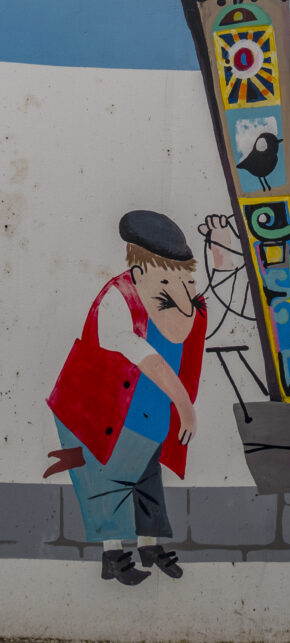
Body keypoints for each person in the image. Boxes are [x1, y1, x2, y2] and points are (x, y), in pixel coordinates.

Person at [45, 211, 206, 585]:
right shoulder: (116, 300)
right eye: (167, 273)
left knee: (147, 478)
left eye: (182, 273)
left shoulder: (176, 292)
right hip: (96, 412)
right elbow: (145, 356)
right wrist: (184, 405)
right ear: (140, 269)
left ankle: (150, 545)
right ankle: (113, 557)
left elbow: (197, 315)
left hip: (146, 411)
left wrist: (223, 257)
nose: (180, 283)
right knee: (110, 481)